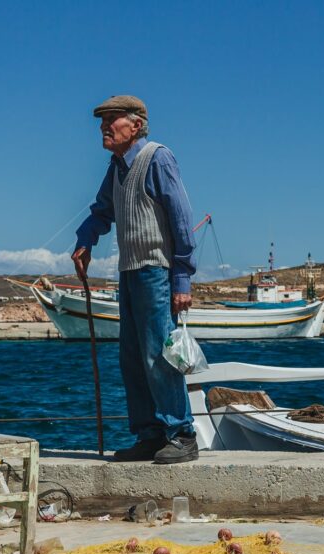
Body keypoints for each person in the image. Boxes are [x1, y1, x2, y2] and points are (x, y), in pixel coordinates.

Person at [71, 95, 198, 463]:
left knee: (159, 354)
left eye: (112, 120)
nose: (104, 127)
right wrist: (85, 239)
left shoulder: (157, 158)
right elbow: (102, 210)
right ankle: (150, 434)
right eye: (102, 121)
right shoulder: (117, 167)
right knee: (132, 357)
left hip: (156, 270)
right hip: (129, 271)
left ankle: (182, 433)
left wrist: (182, 279)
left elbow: (180, 217)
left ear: (136, 125)